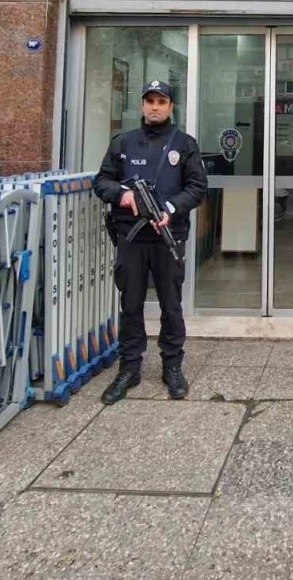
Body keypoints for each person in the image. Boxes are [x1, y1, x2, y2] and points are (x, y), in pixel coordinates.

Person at [93, 78, 206, 402]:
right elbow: (101, 181)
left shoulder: (184, 144)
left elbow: (198, 187)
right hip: (132, 237)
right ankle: (129, 368)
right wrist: (123, 195)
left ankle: (172, 366)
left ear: (170, 106)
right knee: (130, 304)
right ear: (142, 105)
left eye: (161, 102)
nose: (155, 107)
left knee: (171, 303)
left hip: (167, 236)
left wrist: (170, 208)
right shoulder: (123, 143)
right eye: (150, 101)